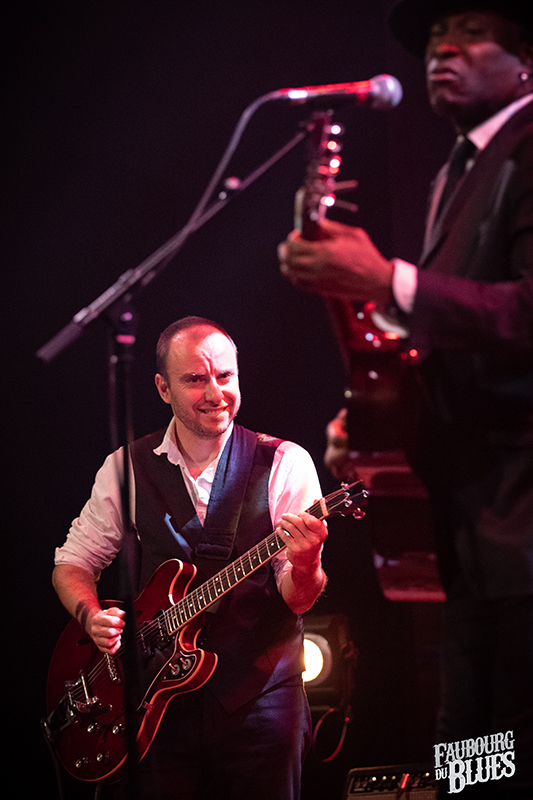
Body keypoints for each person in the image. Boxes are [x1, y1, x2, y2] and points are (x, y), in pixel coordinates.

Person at [278, 2, 533, 798]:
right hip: (470, 528)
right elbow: (445, 335)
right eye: (433, 37)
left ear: (524, 56)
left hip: (523, 521)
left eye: (469, 33)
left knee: (514, 747)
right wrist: (377, 419)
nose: (441, 49)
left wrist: (388, 278)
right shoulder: (459, 170)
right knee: (468, 760)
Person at [52, 316, 329, 800]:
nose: (215, 393)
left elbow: (299, 600)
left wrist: (306, 564)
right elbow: (72, 564)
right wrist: (91, 616)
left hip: (260, 697)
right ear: (163, 388)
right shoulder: (125, 467)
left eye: (225, 376)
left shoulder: (285, 462)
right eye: (196, 379)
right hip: (154, 704)